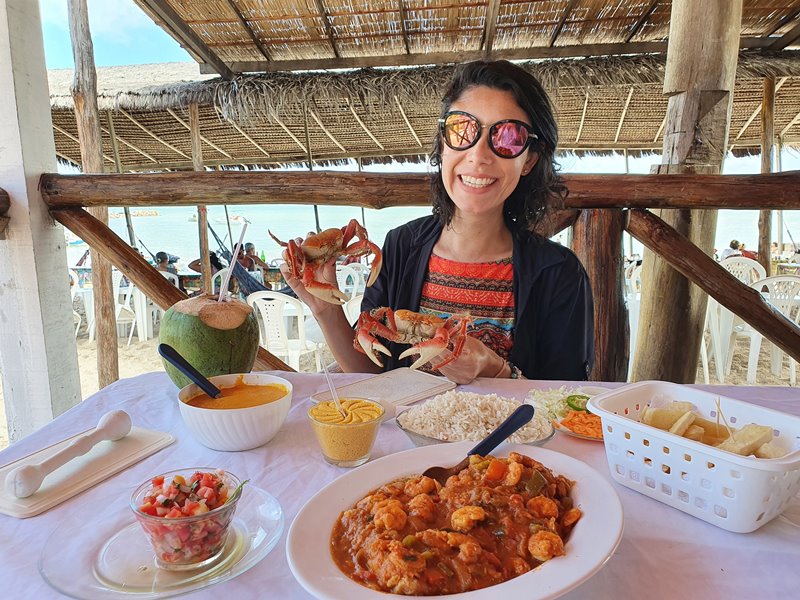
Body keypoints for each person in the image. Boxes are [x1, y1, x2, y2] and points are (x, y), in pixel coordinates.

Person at [281, 60, 594, 383]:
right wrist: (326, 311)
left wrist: (494, 367)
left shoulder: (559, 274)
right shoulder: (399, 247)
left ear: (528, 159)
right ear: (443, 144)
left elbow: (566, 406)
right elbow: (372, 378)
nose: (479, 155)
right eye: (463, 129)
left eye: (508, 137)